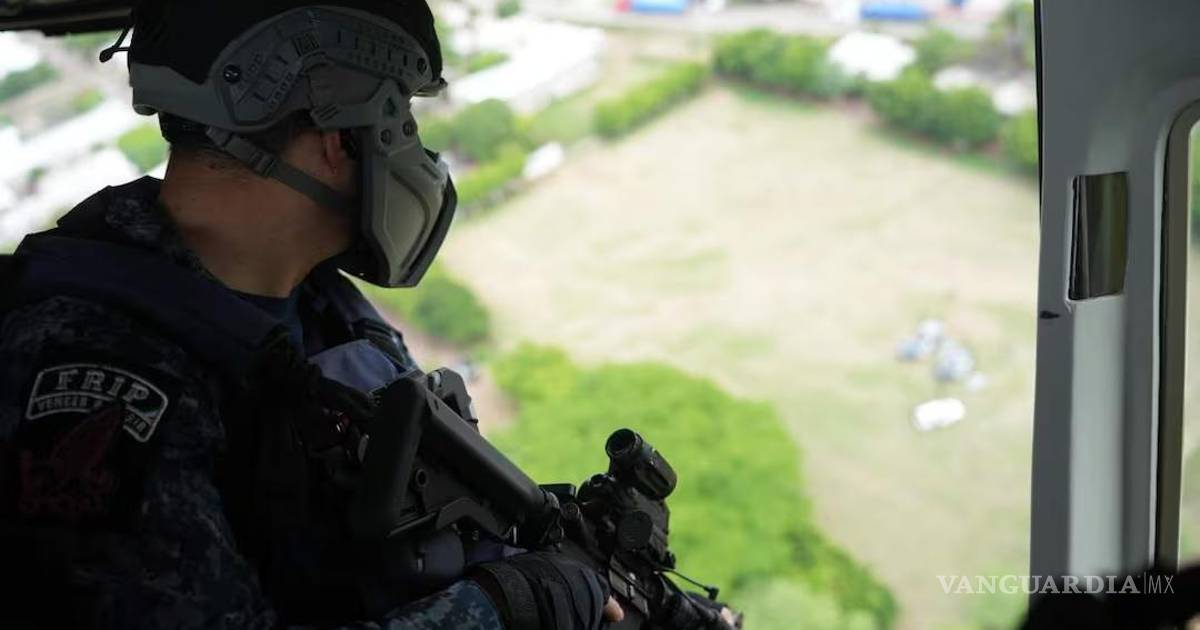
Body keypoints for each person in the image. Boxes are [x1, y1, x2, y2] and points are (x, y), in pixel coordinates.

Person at [0, 1, 620, 628]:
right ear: (337, 139)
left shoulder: (311, 299)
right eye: (403, 116)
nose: (419, 152)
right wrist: (505, 609)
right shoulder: (100, 379)